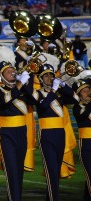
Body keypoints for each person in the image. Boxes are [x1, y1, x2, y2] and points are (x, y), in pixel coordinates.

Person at [26, 63, 78, 201]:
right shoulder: (38, 93)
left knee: (57, 169)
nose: (49, 78)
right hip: (47, 134)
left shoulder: (58, 92)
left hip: (60, 133)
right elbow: (42, 106)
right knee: (51, 171)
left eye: (51, 75)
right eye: (46, 75)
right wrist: (54, 91)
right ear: (41, 78)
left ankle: (51, 198)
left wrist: (63, 85)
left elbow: (75, 99)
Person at [0, 59, 30, 201]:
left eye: (13, 69)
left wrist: (28, 82)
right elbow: (3, 101)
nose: (12, 72)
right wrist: (19, 85)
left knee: (19, 170)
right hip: (6, 133)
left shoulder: (22, 88)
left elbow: (33, 100)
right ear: (1, 76)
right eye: (8, 71)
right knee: (11, 170)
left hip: (22, 131)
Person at [72, 79, 91, 201]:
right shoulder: (77, 107)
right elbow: (84, 115)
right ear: (79, 95)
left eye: (89, 89)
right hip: (86, 144)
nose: (88, 92)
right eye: (84, 91)